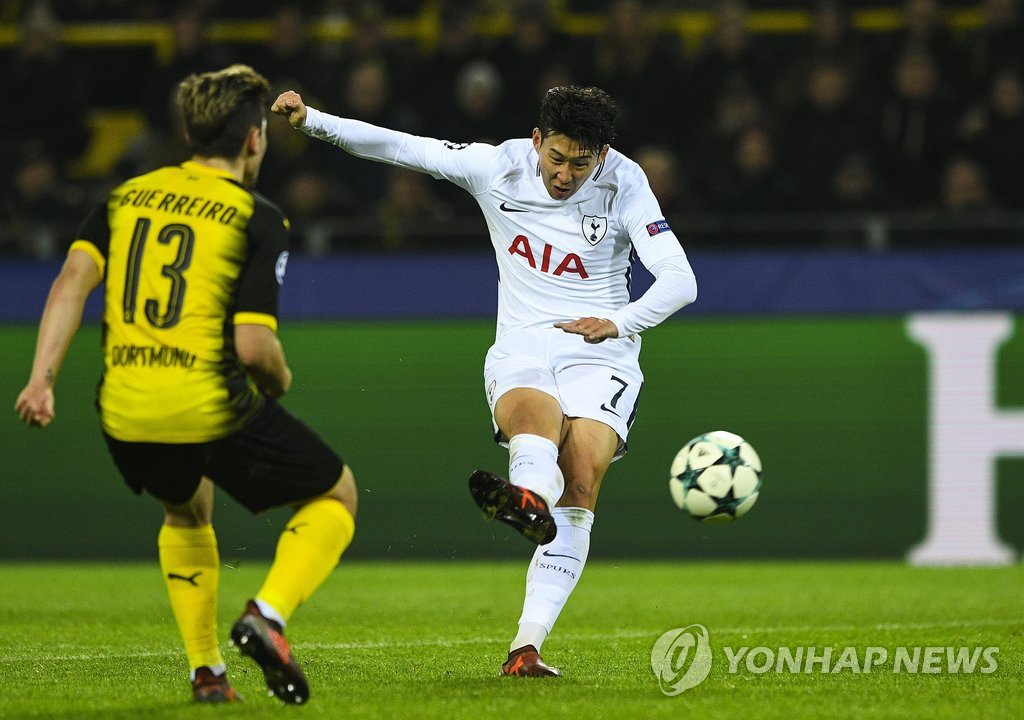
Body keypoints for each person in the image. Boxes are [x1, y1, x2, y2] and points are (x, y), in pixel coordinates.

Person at [271, 84, 697, 677]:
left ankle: (526, 645)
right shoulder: (497, 166)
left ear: (602, 154)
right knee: (535, 421)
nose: (565, 174)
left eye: (581, 163)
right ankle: (528, 499)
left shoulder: (625, 181)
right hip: (523, 341)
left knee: (581, 479)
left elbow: (680, 280)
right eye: (556, 157)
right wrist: (311, 120)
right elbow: (402, 147)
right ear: (537, 140)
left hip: (601, 351)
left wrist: (619, 322)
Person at [14, 65, 357, 706]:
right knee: (336, 494)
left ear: (190, 133)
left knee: (186, 507)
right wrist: (279, 381)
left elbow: (69, 283)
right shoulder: (257, 217)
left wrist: (42, 380)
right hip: (204, 403)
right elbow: (254, 349)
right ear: (254, 138)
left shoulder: (125, 198)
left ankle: (207, 673)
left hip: (123, 410)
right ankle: (268, 616)